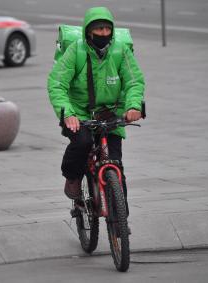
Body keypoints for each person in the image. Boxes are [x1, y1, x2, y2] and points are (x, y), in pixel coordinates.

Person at [47, 7, 145, 206]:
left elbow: (134, 81)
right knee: (82, 143)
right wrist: (68, 114)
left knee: (116, 165)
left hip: (110, 114)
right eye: (98, 29)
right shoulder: (76, 50)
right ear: (88, 31)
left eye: (107, 29)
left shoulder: (120, 50)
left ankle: (120, 225)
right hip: (79, 113)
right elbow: (57, 83)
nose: (103, 33)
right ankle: (72, 177)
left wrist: (133, 106)